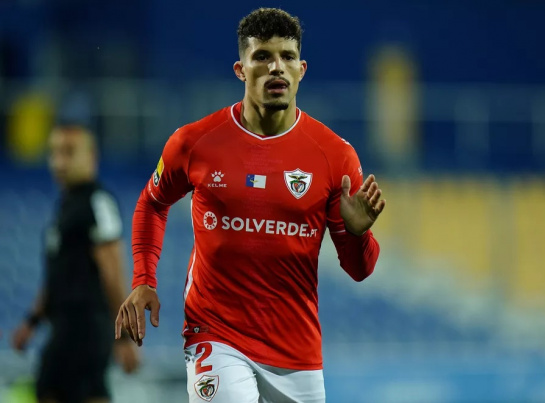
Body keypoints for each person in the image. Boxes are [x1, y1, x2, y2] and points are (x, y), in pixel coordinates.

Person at [115, 7, 386, 403]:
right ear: (240, 69)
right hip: (216, 334)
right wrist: (143, 279)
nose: (276, 67)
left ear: (302, 69)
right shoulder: (195, 143)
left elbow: (360, 270)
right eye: (262, 56)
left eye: (287, 57)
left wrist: (357, 233)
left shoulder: (335, 156)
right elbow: (152, 204)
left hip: (296, 351)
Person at [12, 124, 140, 403]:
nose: (59, 162)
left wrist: (123, 337)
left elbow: (113, 271)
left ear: (91, 156)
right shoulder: (66, 207)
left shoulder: (98, 202)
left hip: (88, 330)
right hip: (63, 329)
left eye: (68, 152)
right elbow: (56, 276)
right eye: (54, 153)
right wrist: (32, 321)